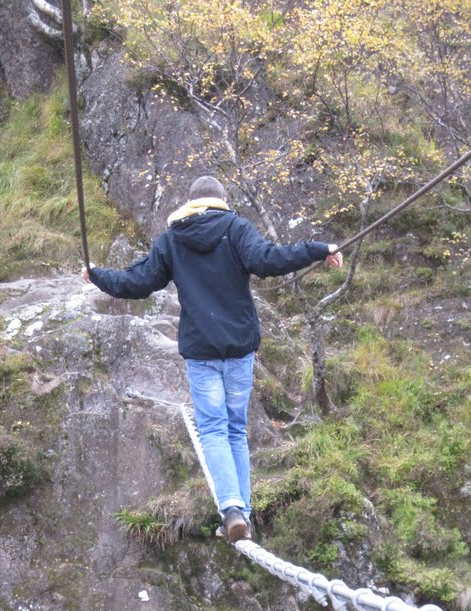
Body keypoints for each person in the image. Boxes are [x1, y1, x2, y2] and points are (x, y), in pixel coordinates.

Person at [82, 175, 343, 543]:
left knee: (214, 431)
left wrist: (97, 276)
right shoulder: (235, 228)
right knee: (235, 429)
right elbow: (268, 259)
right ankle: (241, 516)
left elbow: (137, 282)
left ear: (190, 202)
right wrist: (319, 248)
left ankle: (233, 511)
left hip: (202, 351)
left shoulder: (172, 240)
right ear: (222, 198)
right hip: (239, 349)